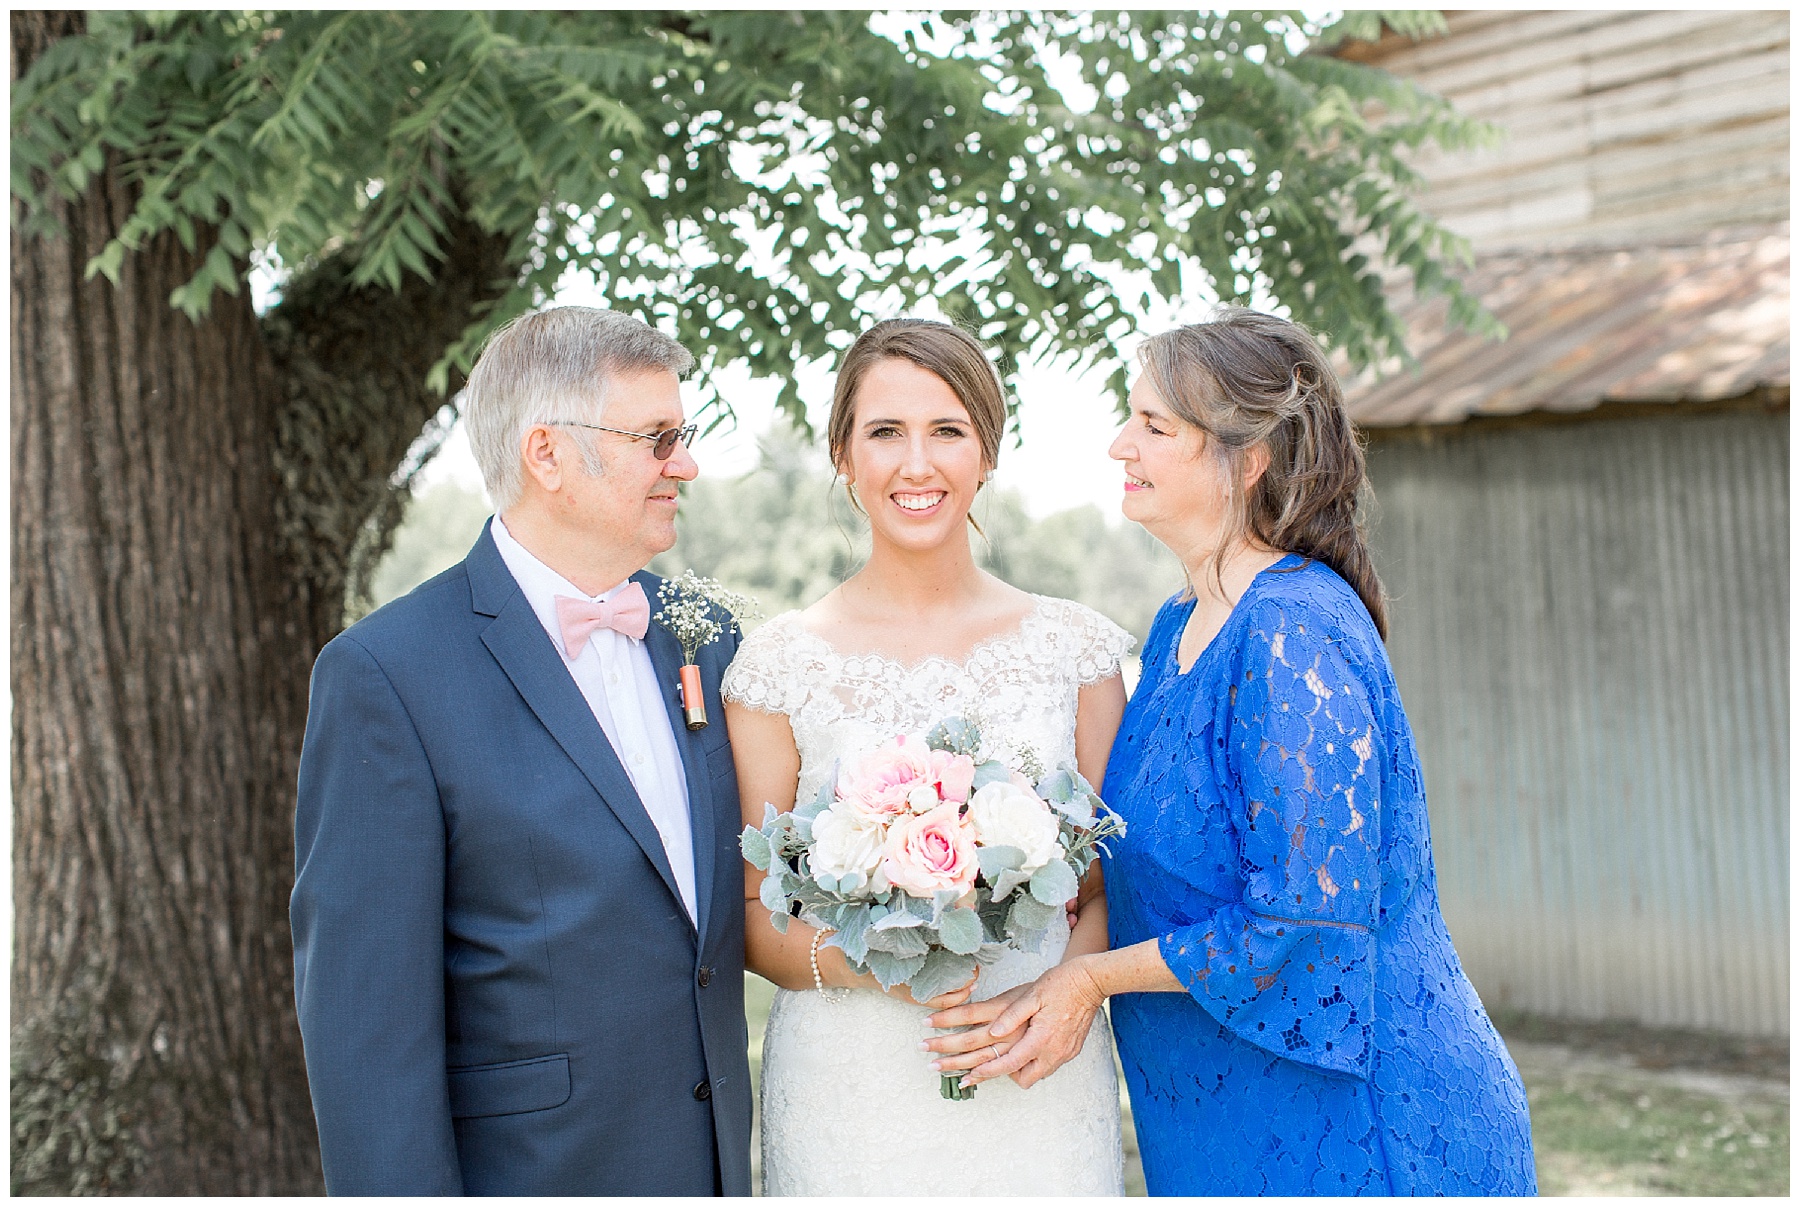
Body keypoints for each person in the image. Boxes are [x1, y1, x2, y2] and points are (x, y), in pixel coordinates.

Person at [927, 309, 1538, 1195]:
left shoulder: (1293, 631)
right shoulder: (1179, 621)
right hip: (1222, 1118)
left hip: (1360, 1130)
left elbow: (1300, 922)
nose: (1116, 445)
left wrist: (1091, 980)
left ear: (1247, 459)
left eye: (1153, 425)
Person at [290, 307, 751, 1195]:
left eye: (682, 435)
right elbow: (366, 1032)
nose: (685, 463)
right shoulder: (386, 675)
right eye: (658, 439)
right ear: (547, 454)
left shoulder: (707, 638)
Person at [722, 319, 1131, 1195]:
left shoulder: (1077, 654)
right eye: (884, 432)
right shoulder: (776, 667)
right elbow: (755, 912)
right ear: (843, 454)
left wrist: (1070, 997)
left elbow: (1109, 892)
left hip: (1034, 1077)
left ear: (988, 451)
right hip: (851, 1092)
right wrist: (891, 959)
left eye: (948, 430)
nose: (917, 464)